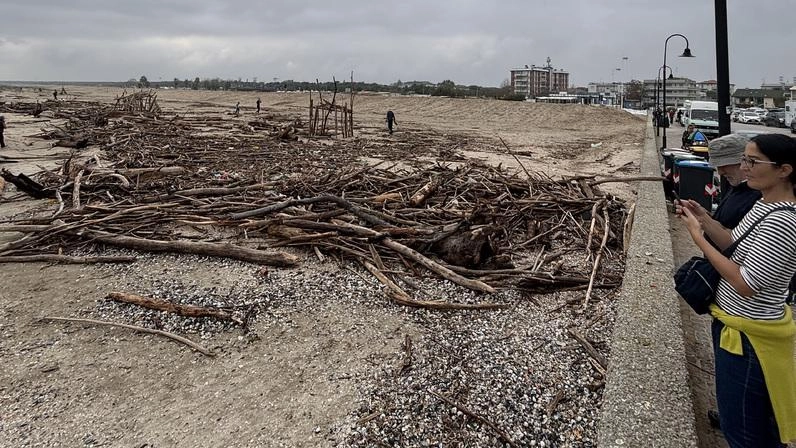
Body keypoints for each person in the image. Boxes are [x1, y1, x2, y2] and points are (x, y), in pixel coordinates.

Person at [678, 134, 796, 447]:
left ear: (784, 170)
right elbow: (732, 241)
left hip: (750, 340)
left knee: (744, 433)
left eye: (752, 162)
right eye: (743, 159)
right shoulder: (764, 203)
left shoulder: (783, 222)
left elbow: (745, 283)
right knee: (751, 421)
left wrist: (698, 238)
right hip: (736, 328)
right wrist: (702, 219)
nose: (744, 168)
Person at [680, 134, 762, 249]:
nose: (720, 172)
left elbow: (734, 244)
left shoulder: (758, 196)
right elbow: (725, 225)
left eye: (724, 165)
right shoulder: (738, 186)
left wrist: (700, 225)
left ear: (744, 162)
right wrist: (702, 215)